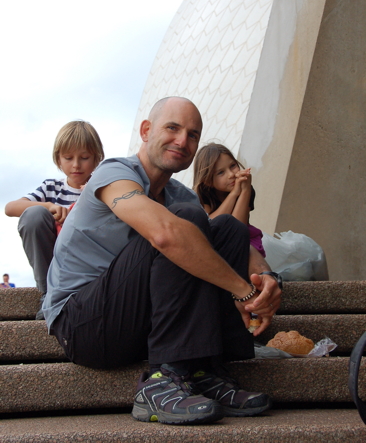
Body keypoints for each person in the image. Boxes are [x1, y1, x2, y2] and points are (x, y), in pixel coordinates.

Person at [43, 97, 282, 426]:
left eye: (193, 134)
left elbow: (233, 248)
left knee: (224, 227)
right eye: (172, 128)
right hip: (83, 325)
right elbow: (164, 234)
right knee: (179, 225)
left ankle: (203, 371)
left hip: (138, 321)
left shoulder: (181, 196)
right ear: (146, 130)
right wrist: (242, 291)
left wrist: (267, 280)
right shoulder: (114, 173)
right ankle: (160, 382)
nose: (183, 141)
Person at [4, 120, 104, 318]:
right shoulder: (51, 188)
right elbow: (10, 208)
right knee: (33, 215)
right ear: (58, 159)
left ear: (96, 159)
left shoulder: (103, 187)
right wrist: (48, 206)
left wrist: (95, 196)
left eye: (84, 157)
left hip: (90, 265)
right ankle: (48, 294)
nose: (76, 165)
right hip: (55, 266)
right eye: (68, 158)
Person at [193, 143, 266, 258]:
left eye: (232, 166)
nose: (231, 174)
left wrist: (245, 191)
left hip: (245, 240)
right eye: (221, 172)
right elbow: (209, 226)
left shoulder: (245, 188)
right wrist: (234, 193)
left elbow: (238, 229)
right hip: (216, 243)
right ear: (208, 181)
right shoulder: (203, 195)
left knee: (250, 255)